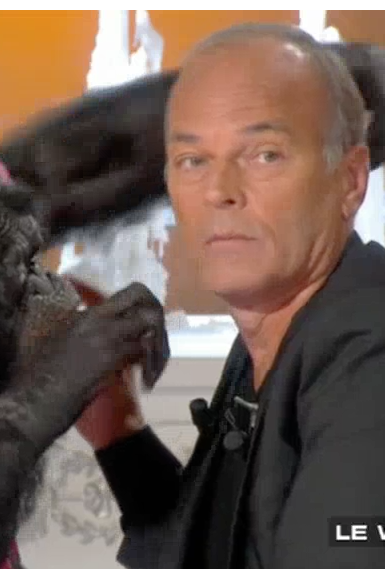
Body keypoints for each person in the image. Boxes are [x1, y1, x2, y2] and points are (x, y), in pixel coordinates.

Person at [72, 22, 385, 569]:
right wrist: (117, 429)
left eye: (265, 154)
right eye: (194, 160)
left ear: (351, 180)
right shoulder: (273, 335)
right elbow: (210, 548)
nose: (220, 191)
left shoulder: (368, 358)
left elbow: (351, 541)